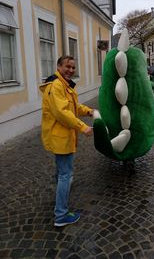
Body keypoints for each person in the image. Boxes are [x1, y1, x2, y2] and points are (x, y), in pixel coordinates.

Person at [39, 55, 93, 227]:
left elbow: (74, 107)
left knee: (61, 173)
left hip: (61, 136)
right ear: (59, 67)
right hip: (61, 137)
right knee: (65, 175)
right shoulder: (56, 85)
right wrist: (82, 127)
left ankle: (60, 198)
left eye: (73, 67)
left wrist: (89, 111)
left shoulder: (64, 85)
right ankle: (61, 215)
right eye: (67, 67)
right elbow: (62, 113)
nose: (70, 70)